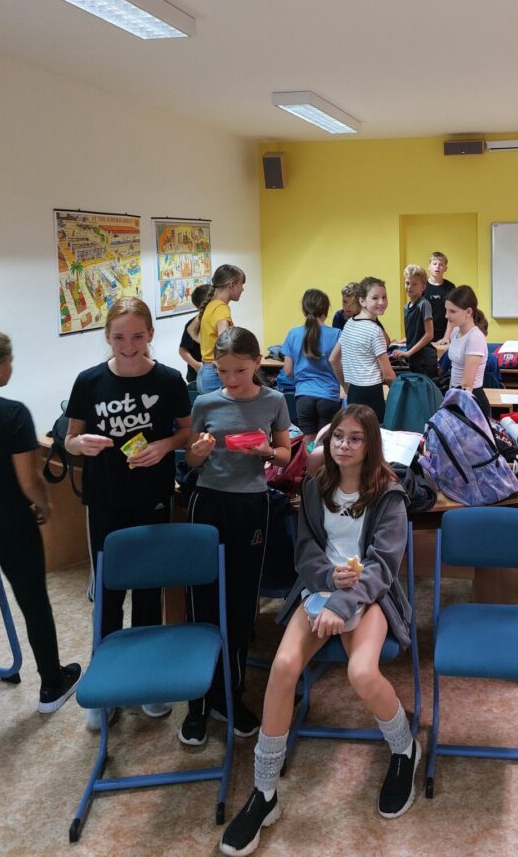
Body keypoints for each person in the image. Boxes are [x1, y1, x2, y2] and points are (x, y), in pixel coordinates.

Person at [219, 405, 417, 856]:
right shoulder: (314, 486)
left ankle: (405, 749)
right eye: (337, 437)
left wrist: (343, 603)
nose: (344, 445)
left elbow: (383, 566)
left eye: (355, 438)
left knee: (362, 673)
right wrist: (327, 582)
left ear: (371, 445)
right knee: (283, 668)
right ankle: (264, 793)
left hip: (369, 596)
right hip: (319, 590)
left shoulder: (389, 494)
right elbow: (306, 552)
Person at [64, 298, 192, 729]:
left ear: (151, 334)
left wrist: (165, 445)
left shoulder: (169, 379)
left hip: (151, 496)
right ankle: (107, 684)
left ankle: (147, 681)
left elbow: (186, 430)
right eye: (119, 337)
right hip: (104, 497)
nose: (129, 345)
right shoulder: (89, 381)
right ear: (107, 337)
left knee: (149, 589)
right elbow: (70, 438)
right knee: (109, 591)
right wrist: (80, 445)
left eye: (138, 336)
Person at [180, 328, 292, 745]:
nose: (230, 379)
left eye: (240, 371)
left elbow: (285, 453)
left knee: (242, 604)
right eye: (222, 371)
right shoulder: (206, 402)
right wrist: (197, 453)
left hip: (252, 504)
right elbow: (192, 459)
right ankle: (197, 702)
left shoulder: (274, 401)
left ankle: (231, 695)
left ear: (257, 362)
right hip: (208, 502)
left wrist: (266, 453)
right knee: (201, 602)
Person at [0, 332, 81, 713]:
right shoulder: (12, 414)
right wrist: (44, 506)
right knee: (33, 602)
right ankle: (51, 684)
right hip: (12, 522)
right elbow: (28, 480)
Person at [329, 277, 396, 423]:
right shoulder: (374, 331)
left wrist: (346, 387)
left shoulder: (349, 324)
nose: (381, 302)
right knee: (374, 434)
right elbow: (389, 375)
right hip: (371, 393)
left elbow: (333, 359)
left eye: (384, 297)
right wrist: (400, 395)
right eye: (375, 298)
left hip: (354, 391)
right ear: (362, 301)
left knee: (357, 432)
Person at [282, 289, 341, 446]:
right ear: (326, 310)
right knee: (326, 446)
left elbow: (288, 371)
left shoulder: (293, 334)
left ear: (304, 309)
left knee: (309, 446)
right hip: (329, 396)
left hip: (303, 396)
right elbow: (342, 368)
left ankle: (310, 464)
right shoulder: (337, 334)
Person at [196, 264, 246, 393]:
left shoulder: (210, 305)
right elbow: (224, 341)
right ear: (232, 285)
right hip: (215, 374)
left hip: (204, 372)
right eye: (241, 284)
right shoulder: (221, 308)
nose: (243, 289)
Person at [444, 285, 490, 417]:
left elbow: (467, 384)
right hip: (456, 395)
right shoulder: (455, 331)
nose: (447, 315)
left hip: (470, 400)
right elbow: (454, 371)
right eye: (446, 310)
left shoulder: (475, 337)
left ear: (468, 312)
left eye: (452, 311)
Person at [392, 265, 437, 378]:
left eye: (414, 284)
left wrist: (408, 353)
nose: (409, 287)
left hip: (424, 359)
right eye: (407, 283)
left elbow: (429, 334)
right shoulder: (406, 307)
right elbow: (416, 331)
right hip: (414, 357)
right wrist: (405, 340)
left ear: (423, 286)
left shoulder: (423, 304)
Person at [178, 282, 214, 383]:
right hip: (198, 377)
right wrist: (196, 365)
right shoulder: (193, 325)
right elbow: (182, 350)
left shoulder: (219, 321)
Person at [423, 251, 456, 343]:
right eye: (434, 264)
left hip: (445, 332)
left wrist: (446, 337)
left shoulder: (450, 287)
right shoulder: (422, 286)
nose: (437, 267)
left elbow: (452, 314)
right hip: (424, 333)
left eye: (441, 264)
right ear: (429, 267)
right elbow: (416, 313)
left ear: (445, 268)